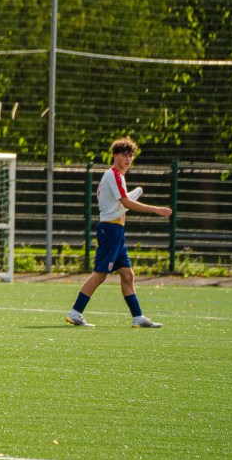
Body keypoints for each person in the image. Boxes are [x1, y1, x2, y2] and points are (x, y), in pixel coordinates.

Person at [66, 136, 172, 328]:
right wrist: (156, 210)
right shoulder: (114, 175)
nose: (128, 159)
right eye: (124, 155)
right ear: (115, 156)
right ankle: (75, 313)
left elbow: (121, 203)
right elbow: (126, 203)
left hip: (116, 232)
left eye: (131, 155)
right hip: (110, 231)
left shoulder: (118, 177)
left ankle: (138, 318)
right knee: (100, 274)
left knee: (128, 275)